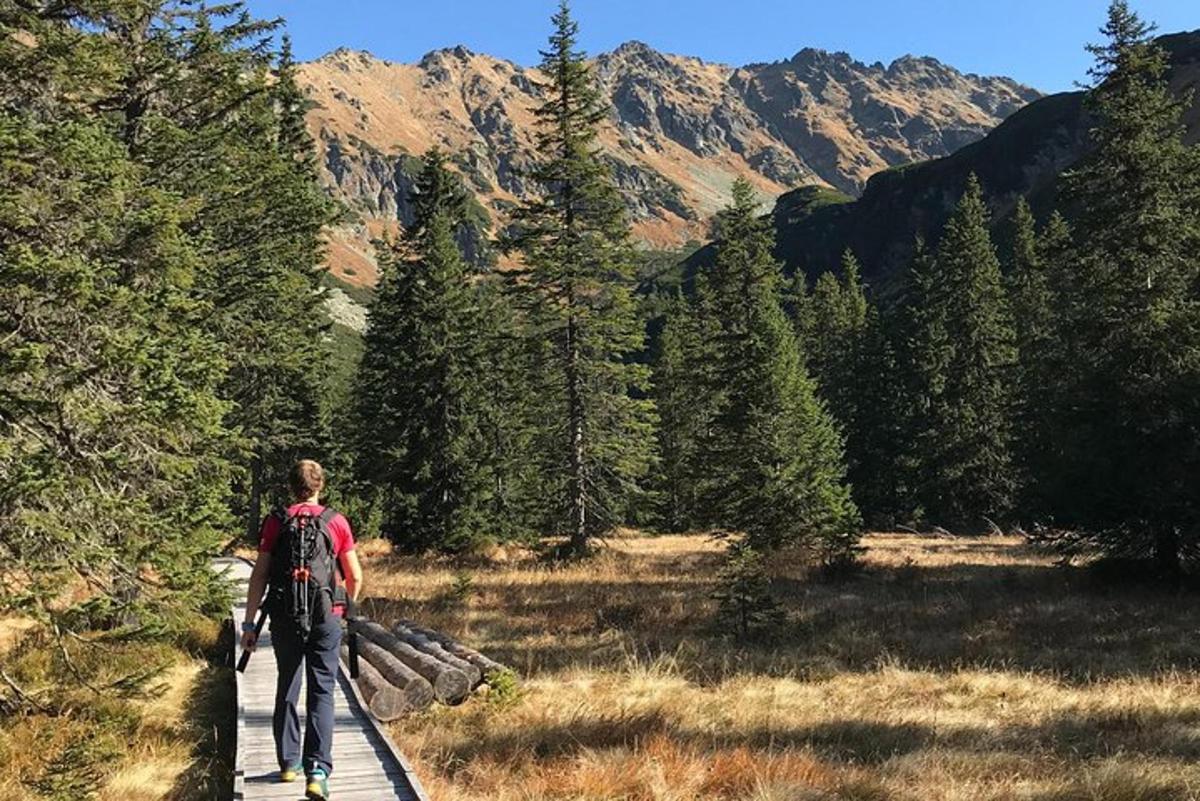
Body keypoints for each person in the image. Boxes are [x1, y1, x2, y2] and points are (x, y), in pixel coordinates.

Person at [240, 459, 363, 801]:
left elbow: (259, 575)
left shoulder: (276, 521)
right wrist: (341, 608)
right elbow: (355, 576)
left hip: (284, 616)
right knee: (322, 690)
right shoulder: (336, 522)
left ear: (291, 487)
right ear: (320, 485)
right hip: (326, 615)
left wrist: (249, 624)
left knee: (287, 684)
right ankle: (318, 771)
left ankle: (288, 763)